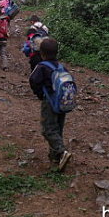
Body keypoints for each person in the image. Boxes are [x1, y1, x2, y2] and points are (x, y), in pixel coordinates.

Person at [28, 38, 72, 172]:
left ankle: (62, 151)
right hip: (62, 102)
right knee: (57, 128)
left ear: (41, 53)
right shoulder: (61, 66)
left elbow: (33, 80)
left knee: (47, 129)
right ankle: (55, 158)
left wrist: (40, 94)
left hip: (50, 101)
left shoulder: (42, 66)